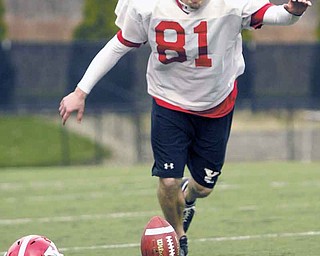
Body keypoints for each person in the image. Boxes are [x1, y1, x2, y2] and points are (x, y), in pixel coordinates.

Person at [59, 0, 312, 255]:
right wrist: (81, 91)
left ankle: (188, 196)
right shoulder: (147, 6)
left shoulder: (231, 3)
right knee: (168, 181)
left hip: (216, 104)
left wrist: (294, 11)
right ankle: (178, 237)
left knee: (203, 187)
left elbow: (277, 15)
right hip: (168, 101)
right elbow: (118, 45)